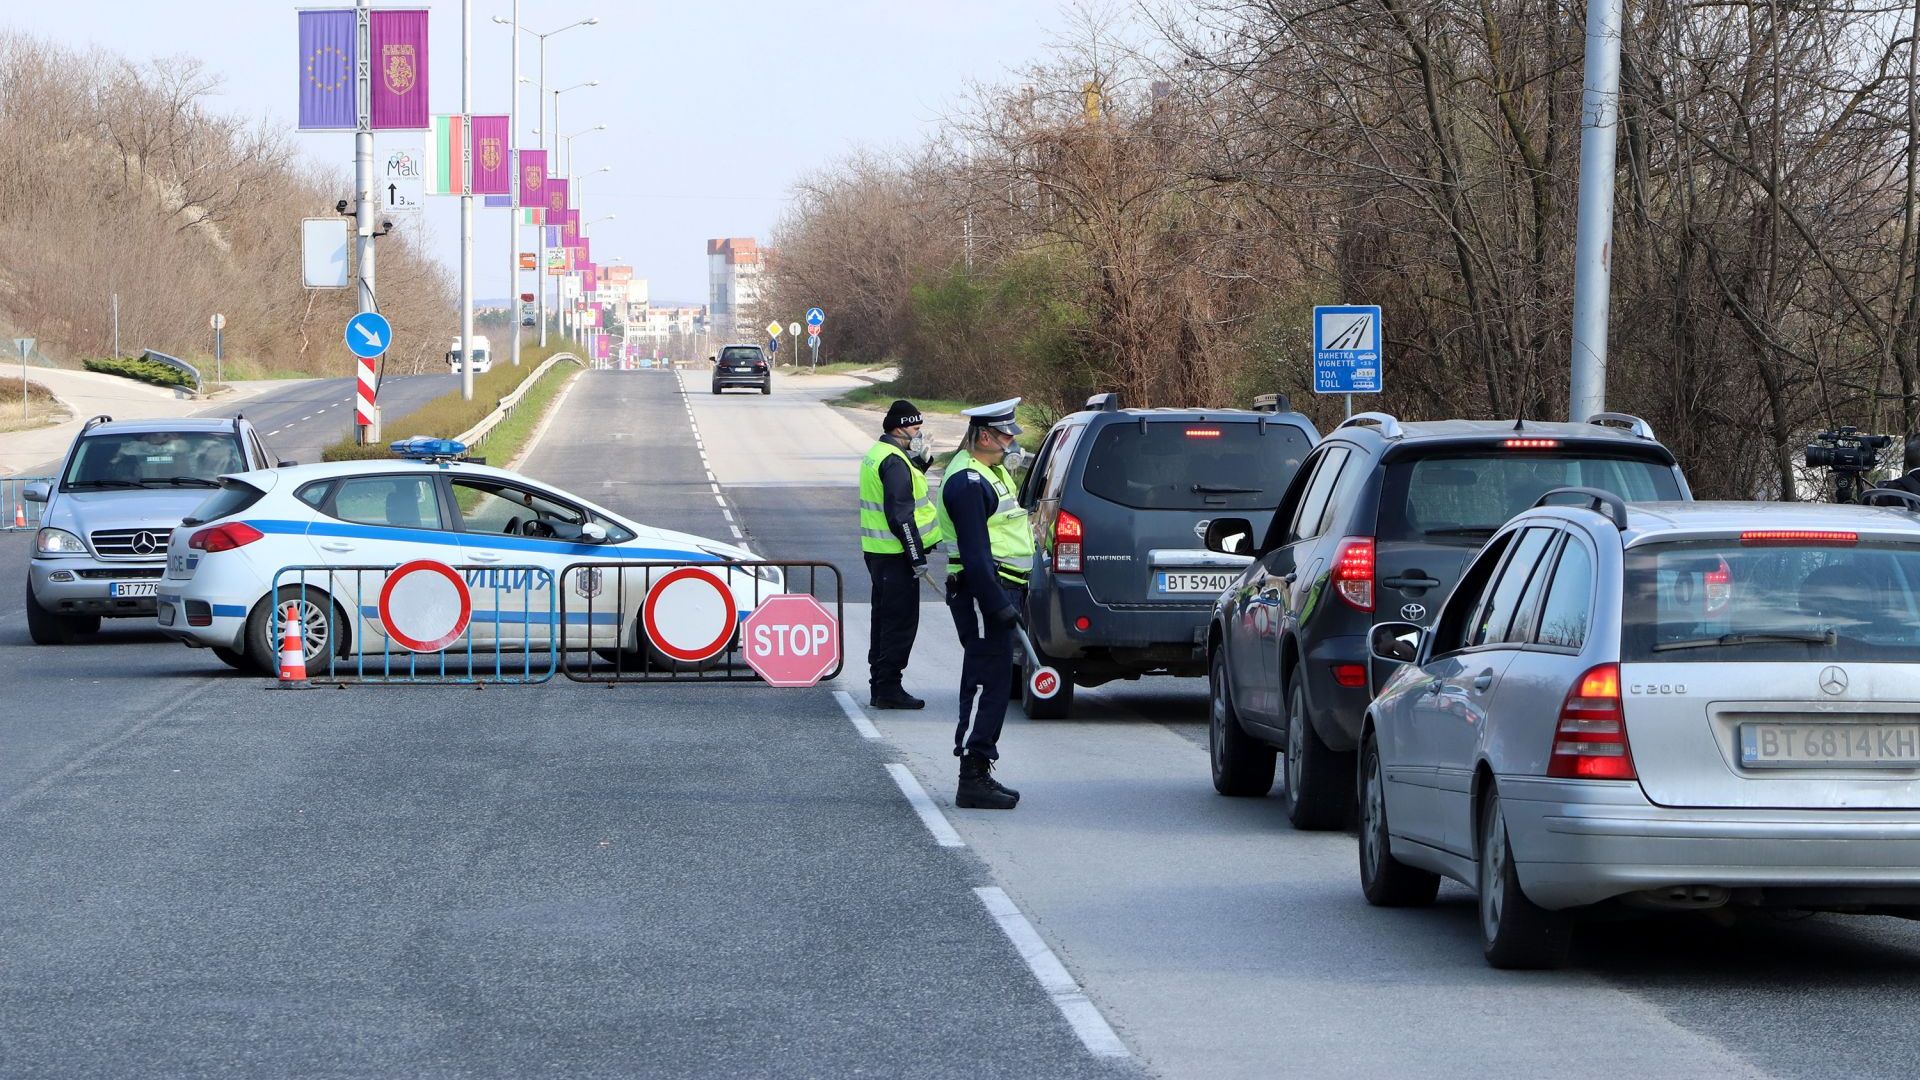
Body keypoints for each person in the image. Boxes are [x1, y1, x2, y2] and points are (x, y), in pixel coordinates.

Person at [934, 398, 1033, 810]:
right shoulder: (968, 483)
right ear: (984, 436)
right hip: (983, 593)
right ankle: (971, 776)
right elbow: (975, 557)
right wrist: (996, 605)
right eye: (1006, 434)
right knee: (983, 681)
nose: (1011, 442)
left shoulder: (989, 473)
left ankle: (979, 767)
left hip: (999, 589)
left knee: (994, 682)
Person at [858, 399, 943, 709]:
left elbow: (898, 487)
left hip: (879, 554)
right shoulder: (893, 462)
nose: (919, 434)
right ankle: (888, 688)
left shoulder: (880, 454)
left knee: (883, 619)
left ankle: (879, 685)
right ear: (899, 428)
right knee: (899, 623)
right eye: (916, 429)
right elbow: (901, 516)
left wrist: (920, 463)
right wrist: (916, 556)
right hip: (897, 556)